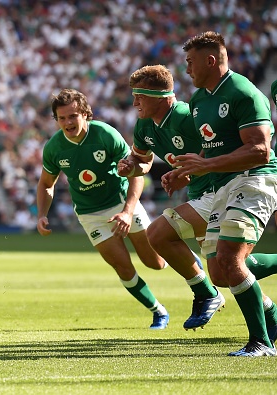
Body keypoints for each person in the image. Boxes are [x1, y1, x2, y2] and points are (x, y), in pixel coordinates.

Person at [118, 65, 277, 339]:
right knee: (225, 271)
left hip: (218, 190)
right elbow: (142, 161)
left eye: (139, 97)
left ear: (160, 97)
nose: (134, 103)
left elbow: (219, 148)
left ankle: (205, 294)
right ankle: (271, 315)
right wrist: (130, 166)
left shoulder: (186, 116)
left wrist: (191, 172)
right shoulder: (144, 124)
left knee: (158, 234)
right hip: (202, 196)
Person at [164, 32, 277, 356]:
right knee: (219, 272)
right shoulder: (199, 100)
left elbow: (260, 151)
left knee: (230, 258)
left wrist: (207, 164)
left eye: (190, 62)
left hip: (254, 179)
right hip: (223, 185)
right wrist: (185, 170)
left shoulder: (243, 93)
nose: (186, 69)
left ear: (210, 60)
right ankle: (272, 317)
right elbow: (210, 150)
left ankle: (261, 343)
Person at [36, 88, 170, 330]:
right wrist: (42, 215)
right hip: (90, 214)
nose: (68, 122)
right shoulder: (54, 147)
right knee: (122, 266)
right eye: (62, 118)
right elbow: (46, 184)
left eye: (73, 116)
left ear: (86, 114)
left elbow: (136, 173)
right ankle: (158, 312)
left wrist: (128, 211)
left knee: (155, 262)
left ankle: (187, 260)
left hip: (122, 201)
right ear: (56, 120)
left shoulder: (105, 134)